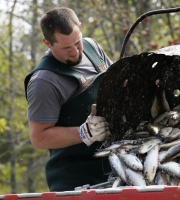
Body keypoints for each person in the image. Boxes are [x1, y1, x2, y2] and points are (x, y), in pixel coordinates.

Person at [24, 7, 113, 192]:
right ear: (48, 43)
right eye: (66, 48)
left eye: (77, 42)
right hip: (75, 183)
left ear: (80, 28)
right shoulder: (44, 81)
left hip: (115, 168)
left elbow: (118, 83)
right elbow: (38, 138)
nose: (75, 52)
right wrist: (84, 132)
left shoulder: (92, 47)